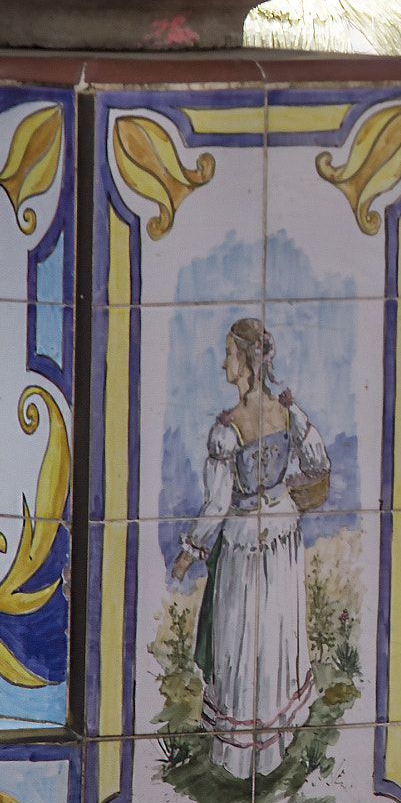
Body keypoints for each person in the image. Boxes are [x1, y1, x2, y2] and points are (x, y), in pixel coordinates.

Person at [170, 318, 331, 779]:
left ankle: (242, 752)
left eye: (229, 355)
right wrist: (282, 494)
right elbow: (317, 462)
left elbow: (218, 503)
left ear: (245, 363)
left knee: (244, 635)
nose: (224, 364)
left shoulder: (228, 430)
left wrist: (191, 550)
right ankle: (276, 738)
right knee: (273, 629)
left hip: (245, 540)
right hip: (283, 533)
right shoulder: (287, 413)